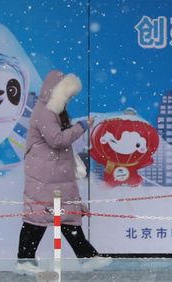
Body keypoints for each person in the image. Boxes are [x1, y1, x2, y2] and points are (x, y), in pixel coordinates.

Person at [16, 70, 109, 274]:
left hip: (54, 176)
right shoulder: (45, 112)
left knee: (65, 217)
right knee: (38, 219)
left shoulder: (52, 110)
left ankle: (86, 257)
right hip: (44, 176)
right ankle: (26, 261)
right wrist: (81, 127)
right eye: (68, 95)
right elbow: (57, 139)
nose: (69, 99)